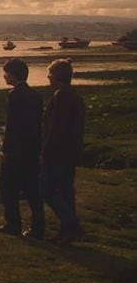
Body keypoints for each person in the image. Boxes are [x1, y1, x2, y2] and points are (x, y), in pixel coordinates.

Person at [0, 58, 45, 239]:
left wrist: (5, 150)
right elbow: (37, 126)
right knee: (32, 190)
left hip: (16, 151)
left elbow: (12, 127)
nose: (4, 76)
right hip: (32, 149)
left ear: (13, 74)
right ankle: (38, 228)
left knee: (8, 187)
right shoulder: (36, 96)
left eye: (6, 72)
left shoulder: (14, 96)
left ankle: (13, 224)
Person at [40, 58, 85, 244]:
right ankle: (67, 232)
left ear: (57, 76)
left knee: (46, 189)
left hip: (59, 154)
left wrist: (44, 153)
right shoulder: (74, 95)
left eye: (50, 73)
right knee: (66, 192)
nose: (47, 76)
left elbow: (56, 129)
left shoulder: (61, 96)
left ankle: (72, 225)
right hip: (70, 152)